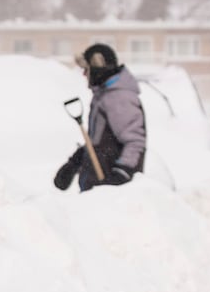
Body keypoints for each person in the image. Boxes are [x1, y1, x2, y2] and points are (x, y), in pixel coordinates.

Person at [54, 42, 147, 192]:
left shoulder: (119, 97)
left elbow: (134, 141)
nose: (84, 74)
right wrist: (75, 162)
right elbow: (100, 142)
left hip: (112, 191)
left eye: (86, 69)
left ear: (98, 68)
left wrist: (122, 172)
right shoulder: (104, 96)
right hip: (97, 185)